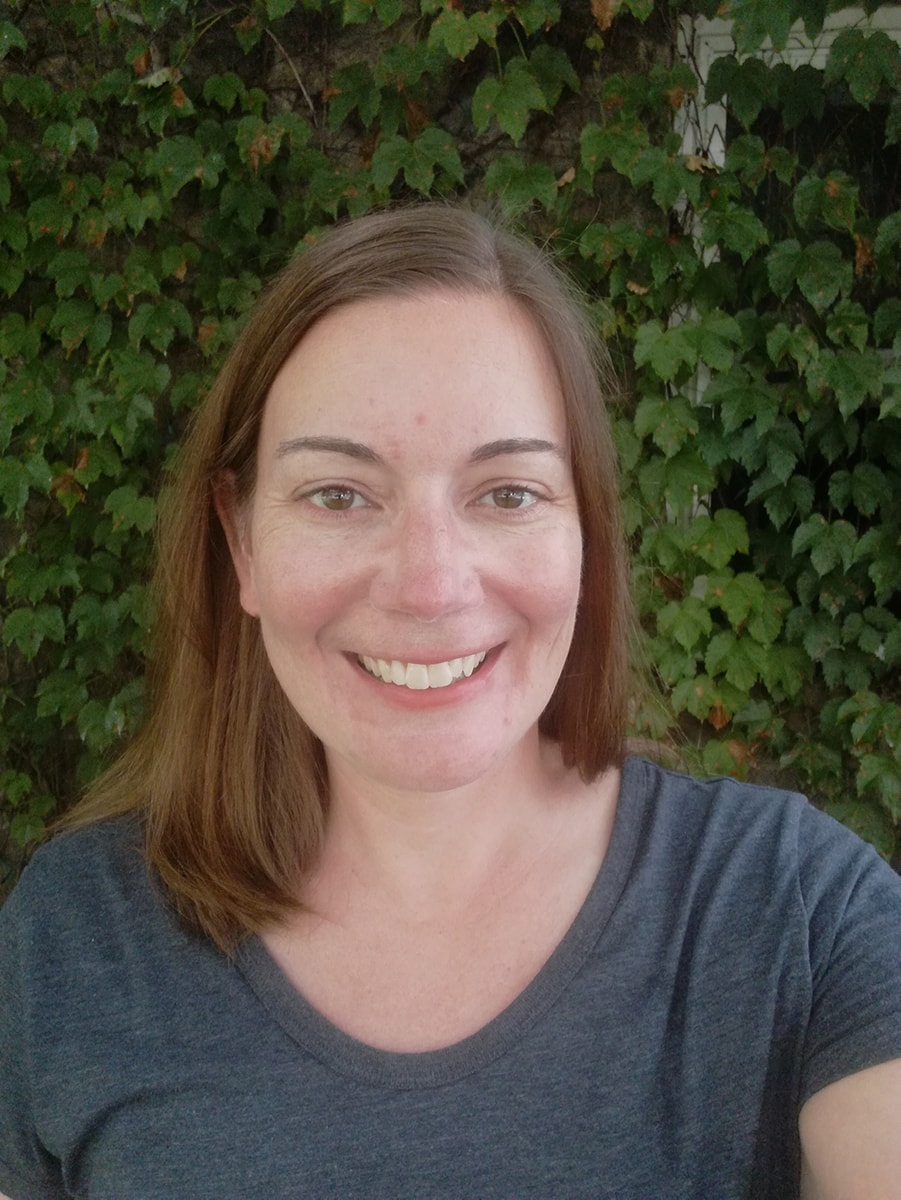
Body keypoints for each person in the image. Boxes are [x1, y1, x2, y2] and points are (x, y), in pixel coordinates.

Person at [1, 204, 899, 1200]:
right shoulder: (71, 943)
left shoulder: (795, 916)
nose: (429, 588)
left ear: (584, 537)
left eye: (507, 493)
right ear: (242, 541)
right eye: (338, 494)